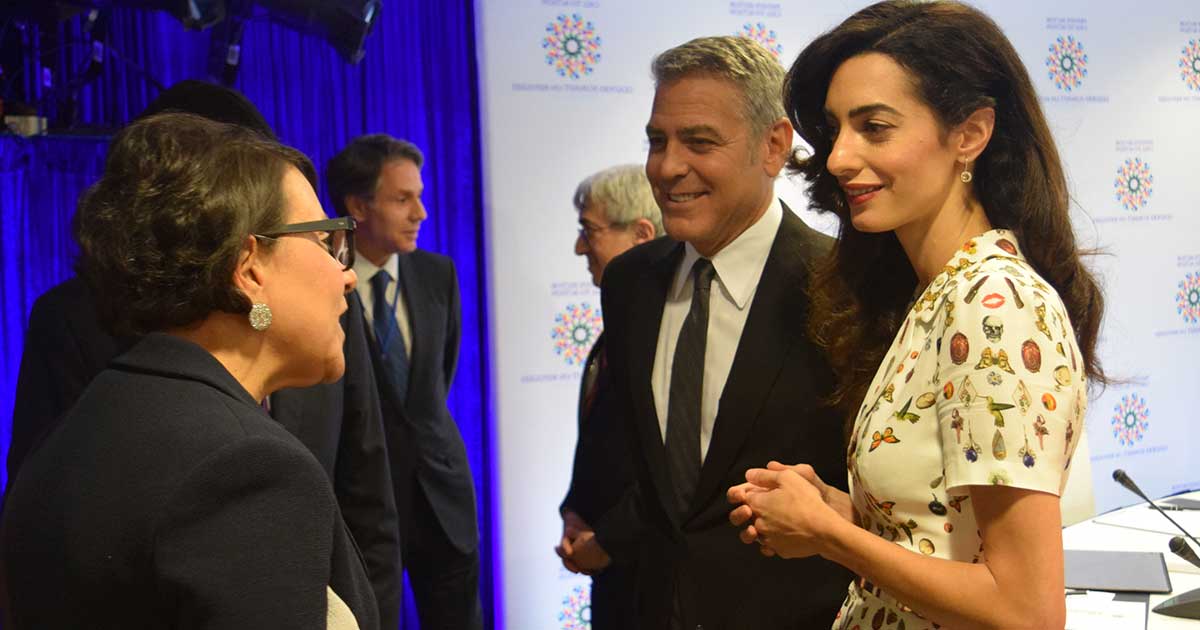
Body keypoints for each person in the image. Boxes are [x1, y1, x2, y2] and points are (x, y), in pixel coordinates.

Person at [726, 2, 1105, 628]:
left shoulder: (995, 304)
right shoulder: (939, 293)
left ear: (971, 135)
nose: (839, 157)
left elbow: (1027, 610)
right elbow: (944, 536)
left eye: (874, 127)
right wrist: (848, 512)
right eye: (835, 129)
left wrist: (828, 534)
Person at [4, 80, 402, 630]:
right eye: (325, 240)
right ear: (249, 268)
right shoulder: (243, 470)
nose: (346, 274)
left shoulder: (96, 419)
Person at [569, 36, 853, 628]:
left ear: (773, 145)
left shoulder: (844, 288)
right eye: (657, 141)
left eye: (698, 142)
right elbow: (638, 456)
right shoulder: (629, 283)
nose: (668, 167)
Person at [328, 134, 481, 629]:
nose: (421, 213)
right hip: (365, 508)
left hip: (443, 498)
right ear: (358, 205)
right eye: (403, 199)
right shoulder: (326, 281)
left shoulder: (438, 273)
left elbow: (437, 381)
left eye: (420, 196)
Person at [556, 164, 663, 630]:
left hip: (651, 583)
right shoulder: (616, 328)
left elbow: (667, 468)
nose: (580, 247)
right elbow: (600, 442)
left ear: (641, 234)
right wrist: (575, 510)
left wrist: (607, 542)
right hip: (610, 576)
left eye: (590, 231)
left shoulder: (670, 336)